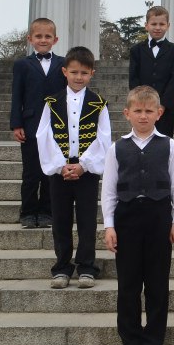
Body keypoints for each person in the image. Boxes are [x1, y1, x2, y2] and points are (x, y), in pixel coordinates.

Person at [101, 86, 174, 345]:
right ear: (127, 113)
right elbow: (108, 190)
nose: (143, 116)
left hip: (158, 216)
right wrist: (109, 225)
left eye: (149, 111)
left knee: (157, 283)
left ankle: (152, 343)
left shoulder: (169, 145)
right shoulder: (116, 148)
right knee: (128, 284)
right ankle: (130, 342)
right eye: (138, 110)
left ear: (159, 113)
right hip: (127, 218)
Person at [36, 45, 109, 289]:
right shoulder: (51, 102)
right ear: (65, 72)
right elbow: (44, 136)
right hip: (60, 172)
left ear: (92, 74)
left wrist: (83, 165)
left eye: (84, 73)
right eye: (74, 72)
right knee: (61, 220)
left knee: (87, 220)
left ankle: (87, 267)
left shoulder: (99, 104)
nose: (79, 77)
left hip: (86, 172)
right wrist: (60, 166)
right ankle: (62, 267)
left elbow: (103, 138)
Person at [9, 18, 67, 229]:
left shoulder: (63, 64)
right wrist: (16, 124)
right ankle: (28, 211)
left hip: (56, 125)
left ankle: (46, 211)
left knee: (50, 170)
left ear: (55, 39)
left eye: (47, 36)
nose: (43, 40)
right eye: (39, 36)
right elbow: (17, 96)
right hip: (31, 124)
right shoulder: (22, 65)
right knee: (31, 172)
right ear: (30, 39)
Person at [127, 5, 174, 137]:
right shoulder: (136, 50)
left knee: (163, 143)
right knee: (141, 140)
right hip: (141, 108)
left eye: (162, 24)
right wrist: (140, 103)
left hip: (165, 110)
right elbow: (133, 78)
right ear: (146, 25)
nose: (158, 27)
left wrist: (162, 105)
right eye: (154, 24)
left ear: (168, 25)